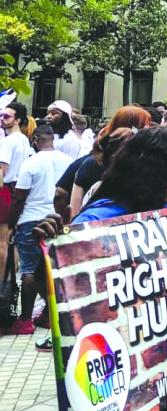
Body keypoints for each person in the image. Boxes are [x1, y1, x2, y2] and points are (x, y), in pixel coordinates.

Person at [34, 126, 167, 411]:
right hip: (124, 382)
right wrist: (51, 255)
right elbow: (57, 300)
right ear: (146, 167)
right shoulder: (96, 221)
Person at [8, 125, 72, 334]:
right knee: (50, 270)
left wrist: (11, 224)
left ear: (35, 139)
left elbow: (19, 197)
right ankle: (48, 314)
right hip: (57, 220)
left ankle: (25, 320)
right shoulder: (67, 162)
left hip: (31, 220)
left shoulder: (31, 163)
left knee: (29, 269)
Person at [68, 105, 152, 217]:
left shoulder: (148, 164)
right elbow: (74, 211)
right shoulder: (91, 164)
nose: (149, 130)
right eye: (144, 126)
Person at [0, 101, 32, 283]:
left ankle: (2, 283)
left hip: (6, 189)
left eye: (6, 116)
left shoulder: (8, 141)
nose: (2, 119)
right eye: (1, 116)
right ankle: (11, 283)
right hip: (17, 189)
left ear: (17, 120)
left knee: (2, 241)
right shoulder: (23, 139)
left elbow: (1, 171)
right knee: (11, 239)